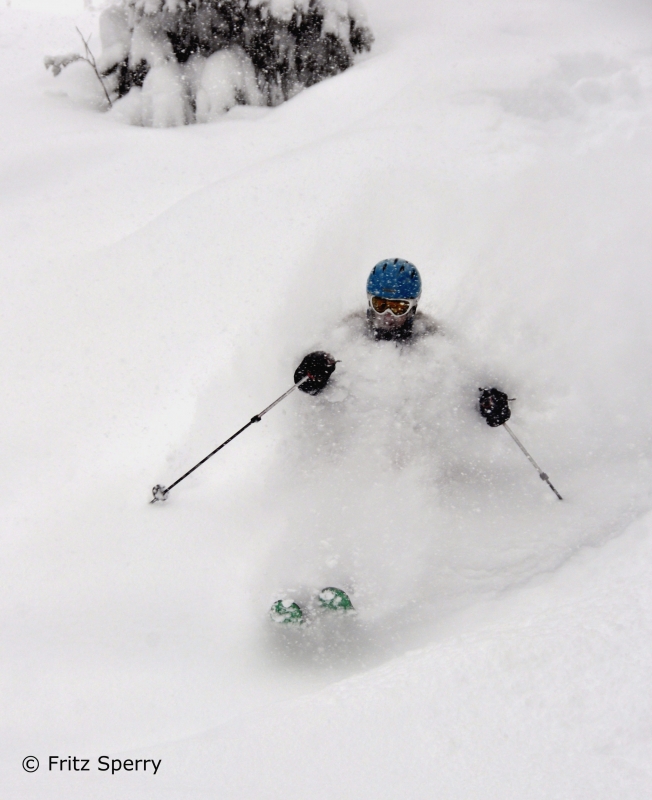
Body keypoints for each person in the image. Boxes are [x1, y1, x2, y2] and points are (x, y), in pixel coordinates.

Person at [272, 259, 511, 625]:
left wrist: (489, 402)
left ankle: (352, 592)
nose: (386, 315)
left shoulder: (436, 342)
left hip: (405, 458)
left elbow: (468, 380)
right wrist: (311, 370)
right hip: (349, 450)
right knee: (326, 509)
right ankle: (294, 590)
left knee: (385, 515)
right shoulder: (347, 333)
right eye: (379, 304)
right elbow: (310, 374)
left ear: (414, 307)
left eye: (397, 308)